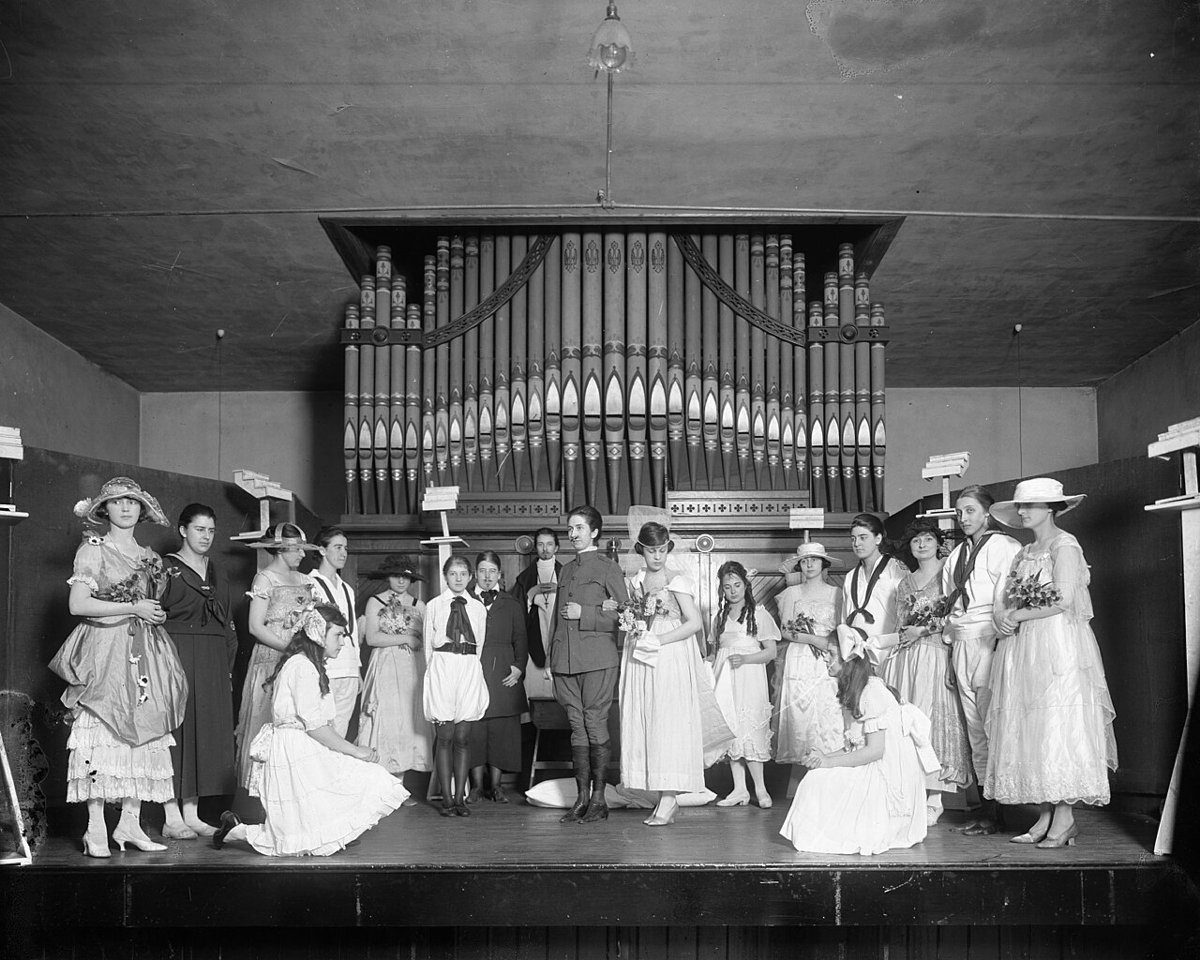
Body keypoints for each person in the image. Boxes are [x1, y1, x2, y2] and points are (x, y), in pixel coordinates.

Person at [49, 477, 188, 858]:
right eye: (117, 502)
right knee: (103, 726)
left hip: (145, 647)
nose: (126, 507)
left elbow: (149, 604)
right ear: (104, 510)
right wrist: (133, 607)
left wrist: (153, 613)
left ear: (142, 510)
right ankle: (95, 829)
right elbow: (78, 605)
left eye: (132, 502)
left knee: (145, 722)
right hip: (105, 648)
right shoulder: (93, 549)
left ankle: (129, 823)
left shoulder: (151, 558)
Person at [212, 602, 409, 856]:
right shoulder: (302, 666)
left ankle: (238, 830)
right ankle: (235, 830)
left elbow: (319, 724)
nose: (342, 642)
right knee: (292, 842)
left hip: (304, 746)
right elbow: (314, 726)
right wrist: (355, 751)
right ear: (318, 634)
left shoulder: (309, 665)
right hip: (294, 751)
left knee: (360, 785)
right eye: (337, 635)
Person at [987, 477, 1118, 848]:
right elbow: (1009, 595)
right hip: (1024, 645)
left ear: (1051, 509)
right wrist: (1003, 616)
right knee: (1033, 724)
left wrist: (1018, 616)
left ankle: (1065, 818)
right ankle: (1045, 815)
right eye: (1020, 507)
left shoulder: (1066, 546)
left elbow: (1063, 599)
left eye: (1030, 506)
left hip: (1057, 642)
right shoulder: (1023, 552)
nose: (1023, 512)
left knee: (1057, 722)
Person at [779, 626, 929, 855]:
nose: (825, 659)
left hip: (888, 774)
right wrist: (825, 756)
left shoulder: (872, 692)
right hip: (877, 764)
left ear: (848, 659)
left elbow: (875, 752)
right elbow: (855, 744)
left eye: (830, 653)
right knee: (816, 777)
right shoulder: (858, 688)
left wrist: (828, 763)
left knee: (818, 781)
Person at [941, 484, 1021, 836]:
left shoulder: (1005, 547)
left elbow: (1010, 599)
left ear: (987, 513)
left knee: (993, 723)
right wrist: (949, 654)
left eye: (970, 510)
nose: (963, 518)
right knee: (975, 729)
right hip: (962, 643)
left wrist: (1002, 642)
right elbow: (949, 608)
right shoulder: (956, 555)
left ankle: (1004, 806)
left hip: (990, 641)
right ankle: (987, 808)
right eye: (959, 512)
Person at [883, 518, 971, 826]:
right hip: (908, 658)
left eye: (927, 539)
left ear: (937, 543)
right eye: (915, 541)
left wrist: (924, 630)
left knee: (932, 719)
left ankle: (936, 797)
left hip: (936, 651)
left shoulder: (949, 573)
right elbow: (900, 623)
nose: (921, 545)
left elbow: (956, 616)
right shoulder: (905, 581)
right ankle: (914, 792)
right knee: (910, 722)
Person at [618, 520, 706, 826]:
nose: (657, 556)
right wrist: (633, 627)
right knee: (648, 718)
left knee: (668, 721)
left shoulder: (677, 580)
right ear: (641, 550)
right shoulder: (635, 581)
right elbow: (631, 614)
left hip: (669, 655)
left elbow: (694, 623)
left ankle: (670, 799)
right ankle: (661, 796)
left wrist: (659, 639)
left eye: (662, 550)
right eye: (651, 550)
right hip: (640, 653)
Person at [158, 502, 237, 839]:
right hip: (177, 654)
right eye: (199, 529)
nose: (206, 536)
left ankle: (191, 813)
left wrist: (228, 667)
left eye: (210, 530)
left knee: (203, 733)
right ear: (182, 530)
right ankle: (170, 815)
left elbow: (228, 621)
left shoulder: (216, 571)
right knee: (176, 732)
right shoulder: (165, 568)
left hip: (213, 659)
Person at [548, 505, 629, 824]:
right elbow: (556, 618)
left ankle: (598, 799)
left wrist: (588, 615)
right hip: (565, 661)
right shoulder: (565, 569)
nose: (572, 534)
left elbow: (626, 616)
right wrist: (551, 661)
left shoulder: (608, 567)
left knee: (595, 723)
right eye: (570, 528)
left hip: (597, 659)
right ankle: (581, 798)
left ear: (594, 532)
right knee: (576, 727)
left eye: (579, 528)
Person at [235, 524, 319, 794]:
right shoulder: (265, 579)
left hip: (300, 660)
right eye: (298, 549)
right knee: (268, 721)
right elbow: (255, 626)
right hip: (272, 659)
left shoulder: (306, 580)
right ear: (282, 548)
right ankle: (263, 797)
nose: (303, 555)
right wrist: (289, 648)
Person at [355, 555, 431, 805]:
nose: (401, 580)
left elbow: (426, 639)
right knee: (387, 721)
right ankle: (384, 787)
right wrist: (405, 639)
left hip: (412, 668)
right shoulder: (375, 602)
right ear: (388, 577)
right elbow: (373, 638)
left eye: (406, 576)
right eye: (397, 575)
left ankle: (400, 787)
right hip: (386, 665)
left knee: (408, 723)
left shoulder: (420, 605)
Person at [423, 554, 489, 817]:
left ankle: (461, 798)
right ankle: (447, 800)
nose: (459, 578)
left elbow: (480, 644)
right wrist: (436, 674)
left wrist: (471, 668)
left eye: (463, 573)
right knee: (445, 735)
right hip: (443, 666)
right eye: (453, 573)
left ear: (471, 576)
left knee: (462, 736)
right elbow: (428, 645)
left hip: (468, 666)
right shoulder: (434, 605)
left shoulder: (477, 608)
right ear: (445, 576)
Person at [710, 561, 778, 809]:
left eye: (737, 585)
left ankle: (760, 789)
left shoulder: (759, 614)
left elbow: (770, 652)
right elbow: (715, 651)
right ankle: (739, 789)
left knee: (750, 727)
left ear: (746, 585)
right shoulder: (719, 617)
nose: (733, 591)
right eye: (727, 587)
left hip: (749, 678)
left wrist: (745, 659)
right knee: (732, 727)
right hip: (725, 679)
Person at [773, 541, 845, 770]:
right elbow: (785, 629)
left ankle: (828, 765)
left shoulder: (837, 593)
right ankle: (801, 772)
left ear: (823, 563)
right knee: (801, 711)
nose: (809, 564)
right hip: (800, 656)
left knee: (828, 708)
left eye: (814, 559)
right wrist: (814, 640)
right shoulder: (792, 593)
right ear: (799, 565)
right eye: (804, 561)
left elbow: (842, 627)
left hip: (828, 657)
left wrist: (830, 645)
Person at [467, 551, 528, 803]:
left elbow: (521, 638)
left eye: (492, 571)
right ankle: (475, 787)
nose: (487, 576)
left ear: (500, 575)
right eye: (482, 570)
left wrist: (518, 667)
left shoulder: (512, 603)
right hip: (472, 671)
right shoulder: (464, 601)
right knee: (474, 729)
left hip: (504, 671)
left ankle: (496, 786)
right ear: (475, 574)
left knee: (502, 731)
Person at [309, 527, 361, 737]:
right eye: (337, 547)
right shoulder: (309, 583)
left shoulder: (347, 588)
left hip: (348, 667)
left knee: (341, 729)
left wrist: (357, 669)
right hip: (326, 666)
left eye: (345, 548)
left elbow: (354, 632)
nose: (343, 553)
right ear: (322, 550)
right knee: (323, 728)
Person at [842, 513, 907, 664]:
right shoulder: (851, 576)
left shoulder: (896, 569)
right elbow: (845, 618)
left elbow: (906, 614)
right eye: (853, 539)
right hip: (857, 655)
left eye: (863, 537)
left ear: (878, 539)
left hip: (888, 652)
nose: (857, 543)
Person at [511, 528, 561, 701]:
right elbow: (516, 615)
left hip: (559, 640)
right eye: (540, 544)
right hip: (534, 640)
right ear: (536, 548)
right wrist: (531, 595)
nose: (545, 549)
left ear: (556, 547)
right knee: (535, 691)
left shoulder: (567, 574)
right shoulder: (525, 578)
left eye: (549, 544)